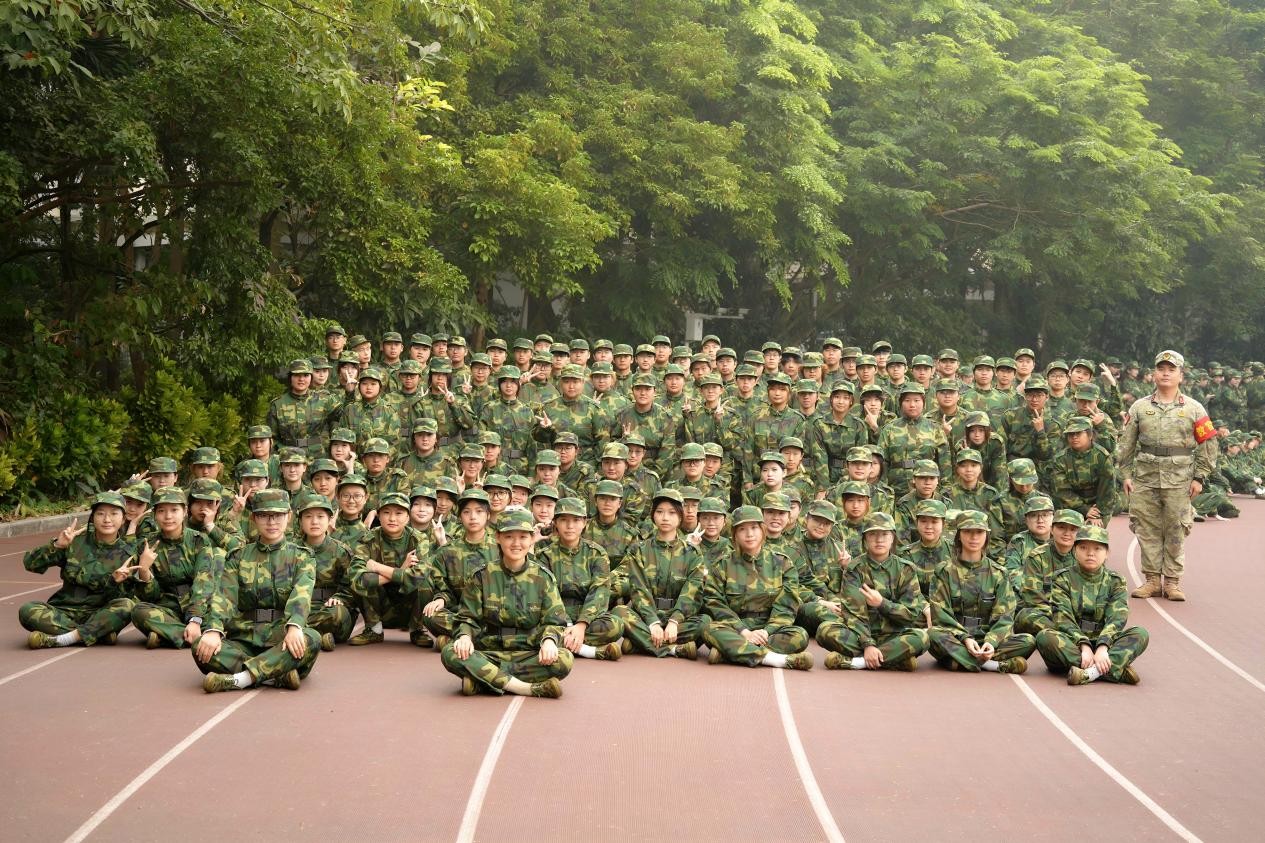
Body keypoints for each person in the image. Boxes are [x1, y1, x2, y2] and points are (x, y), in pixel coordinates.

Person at [193, 489, 321, 692]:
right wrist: (214, 630)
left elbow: (301, 595)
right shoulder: (238, 556)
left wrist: (295, 626)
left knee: (311, 639)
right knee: (201, 646)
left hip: (282, 636)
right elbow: (224, 597)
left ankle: (241, 679)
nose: (271, 522)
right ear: (253, 518)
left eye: (278, 515)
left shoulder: (302, 557)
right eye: (263, 515)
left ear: (288, 516)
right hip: (245, 637)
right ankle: (275, 673)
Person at [1117, 350, 1218, 602]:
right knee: (1146, 528)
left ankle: (1172, 581)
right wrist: (1126, 474)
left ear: (1180, 376)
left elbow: (1208, 444)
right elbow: (1127, 444)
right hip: (1145, 477)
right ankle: (1152, 580)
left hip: (1180, 479)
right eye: (1161, 369)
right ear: (1153, 374)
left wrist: (1200, 477)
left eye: (1171, 370)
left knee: (1176, 529)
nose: (1165, 373)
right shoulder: (1139, 407)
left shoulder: (1194, 408)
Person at [440, 508, 572, 698]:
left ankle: (483, 680)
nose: (516, 543)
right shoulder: (481, 576)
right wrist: (465, 637)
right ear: (498, 537)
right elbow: (468, 617)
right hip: (488, 651)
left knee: (564, 660)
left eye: (523, 537)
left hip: (528, 652)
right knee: (450, 652)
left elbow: (555, 620)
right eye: (509, 537)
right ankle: (524, 688)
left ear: (531, 539)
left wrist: (549, 641)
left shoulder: (543, 578)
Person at [701, 506, 814, 670]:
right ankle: (776, 660)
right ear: (734, 534)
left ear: (763, 530)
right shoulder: (722, 565)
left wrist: (767, 631)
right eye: (742, 529)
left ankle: (731, 652)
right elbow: (715, 603)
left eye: (754, 527)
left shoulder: (782, 563)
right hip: (736, 627)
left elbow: (786, 606)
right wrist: (744, 632)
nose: (749, 534)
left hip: (769, 628)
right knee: (708, 629)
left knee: (800, 635)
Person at [21, 491, 137, 648]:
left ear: (123, 519)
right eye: (100, 513)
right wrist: (57, 546)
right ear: (93, 517)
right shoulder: (74, 542)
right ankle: (96, 634)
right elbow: (30, 564)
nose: (107, 519)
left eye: (114, 514)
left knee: (127, 606)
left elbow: (124, 597)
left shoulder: (128, 553)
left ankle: (62, 639)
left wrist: (114, 581)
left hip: (99, 613)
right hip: (64, 611)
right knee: (27, 610)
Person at [1035, 526, 1149, 685]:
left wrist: (1102, 646)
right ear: (1075, 551)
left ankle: (1088, 673)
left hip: (1105, 644)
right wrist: (1084, 645)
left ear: (1107, 553)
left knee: (1140, 633)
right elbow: (1063, 618)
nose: (1090, 553)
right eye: (1083, 548)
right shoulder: (1062, 578)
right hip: (1072, 644)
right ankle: (1113, 670)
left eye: (1097, 548)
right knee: (1045, 637)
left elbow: (1117, 618)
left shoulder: (1115, 581)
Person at [926, 510, 1034, 674]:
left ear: (986, 536)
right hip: (956, 638)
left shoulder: (998, 573)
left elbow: (1004, 616)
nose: (974, 537)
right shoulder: (944, 571)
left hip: (986, 637)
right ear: (959, 535)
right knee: (933, 635)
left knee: (1028, 641)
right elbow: (941, 615)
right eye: (968, 531)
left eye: (979, 532)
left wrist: (991, 641)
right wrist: (965, 638)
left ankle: (959, 661)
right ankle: (992, 665)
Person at [819, 512, 929, 671]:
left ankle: (858, 662)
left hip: (894, 635)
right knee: (825, 630)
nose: (879, 540)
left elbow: (911, 614)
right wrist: (868, 644)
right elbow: (854, 613)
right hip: (859, 635)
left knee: (922, 638)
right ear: (865, 538)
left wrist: (882, 604)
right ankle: (895, 658)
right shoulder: (854, 569)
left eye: (885, 534)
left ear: (892, 538)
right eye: (873, 534)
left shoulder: (906, 569)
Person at [614, 489, 710, 658]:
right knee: (619, 612)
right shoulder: (639, 550)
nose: (665, 518)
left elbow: (692, 592)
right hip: (646, 616)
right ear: (653, 515)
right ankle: (673, 649)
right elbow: (638, 589)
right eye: (660, 512)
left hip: (678, 619)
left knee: (705, 622)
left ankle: (641, 643)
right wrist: (652, 623)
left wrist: (674, 621)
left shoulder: (692, 553)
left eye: (672, 513)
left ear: (680, 516)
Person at [532, 497, 624, 661]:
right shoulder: (545, 555)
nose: (570, 526)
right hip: (555, 617)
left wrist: (581, 625)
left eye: (576, 520)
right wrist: (567, 624)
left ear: (584, 523)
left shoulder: (596, 553)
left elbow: (599, 591)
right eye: (564, 520)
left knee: (615, 625)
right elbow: (546, 595)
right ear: (555, 523)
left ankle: (561, 643)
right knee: (533, 628)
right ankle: (587, 650)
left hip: (586, 615)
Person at [130, 487, 221, 650]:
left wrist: (195, 619)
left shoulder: (199, 540)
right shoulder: (146, 545)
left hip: (199, 605)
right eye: (161, 511)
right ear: (154, 514)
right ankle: (191, 638)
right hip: (169, 608)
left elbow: (203, 581)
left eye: (174, 510)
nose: (168, 516)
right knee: (138, 611)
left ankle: (166, 636)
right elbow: (151, 596)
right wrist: (144, 570)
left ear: (185, 511)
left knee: (220, 616)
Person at [293, 492, 357, 650]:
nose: (314, 521)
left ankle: (303, 635)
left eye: (320, 516)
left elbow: (352, 586)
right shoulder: (291, 549)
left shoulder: (341, 551)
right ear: (300, 521)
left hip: (328, 609)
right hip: (299, 608)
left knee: (338, 613)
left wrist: (340, 598)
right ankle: (318, 638)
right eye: (308, 516)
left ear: (329, 519)